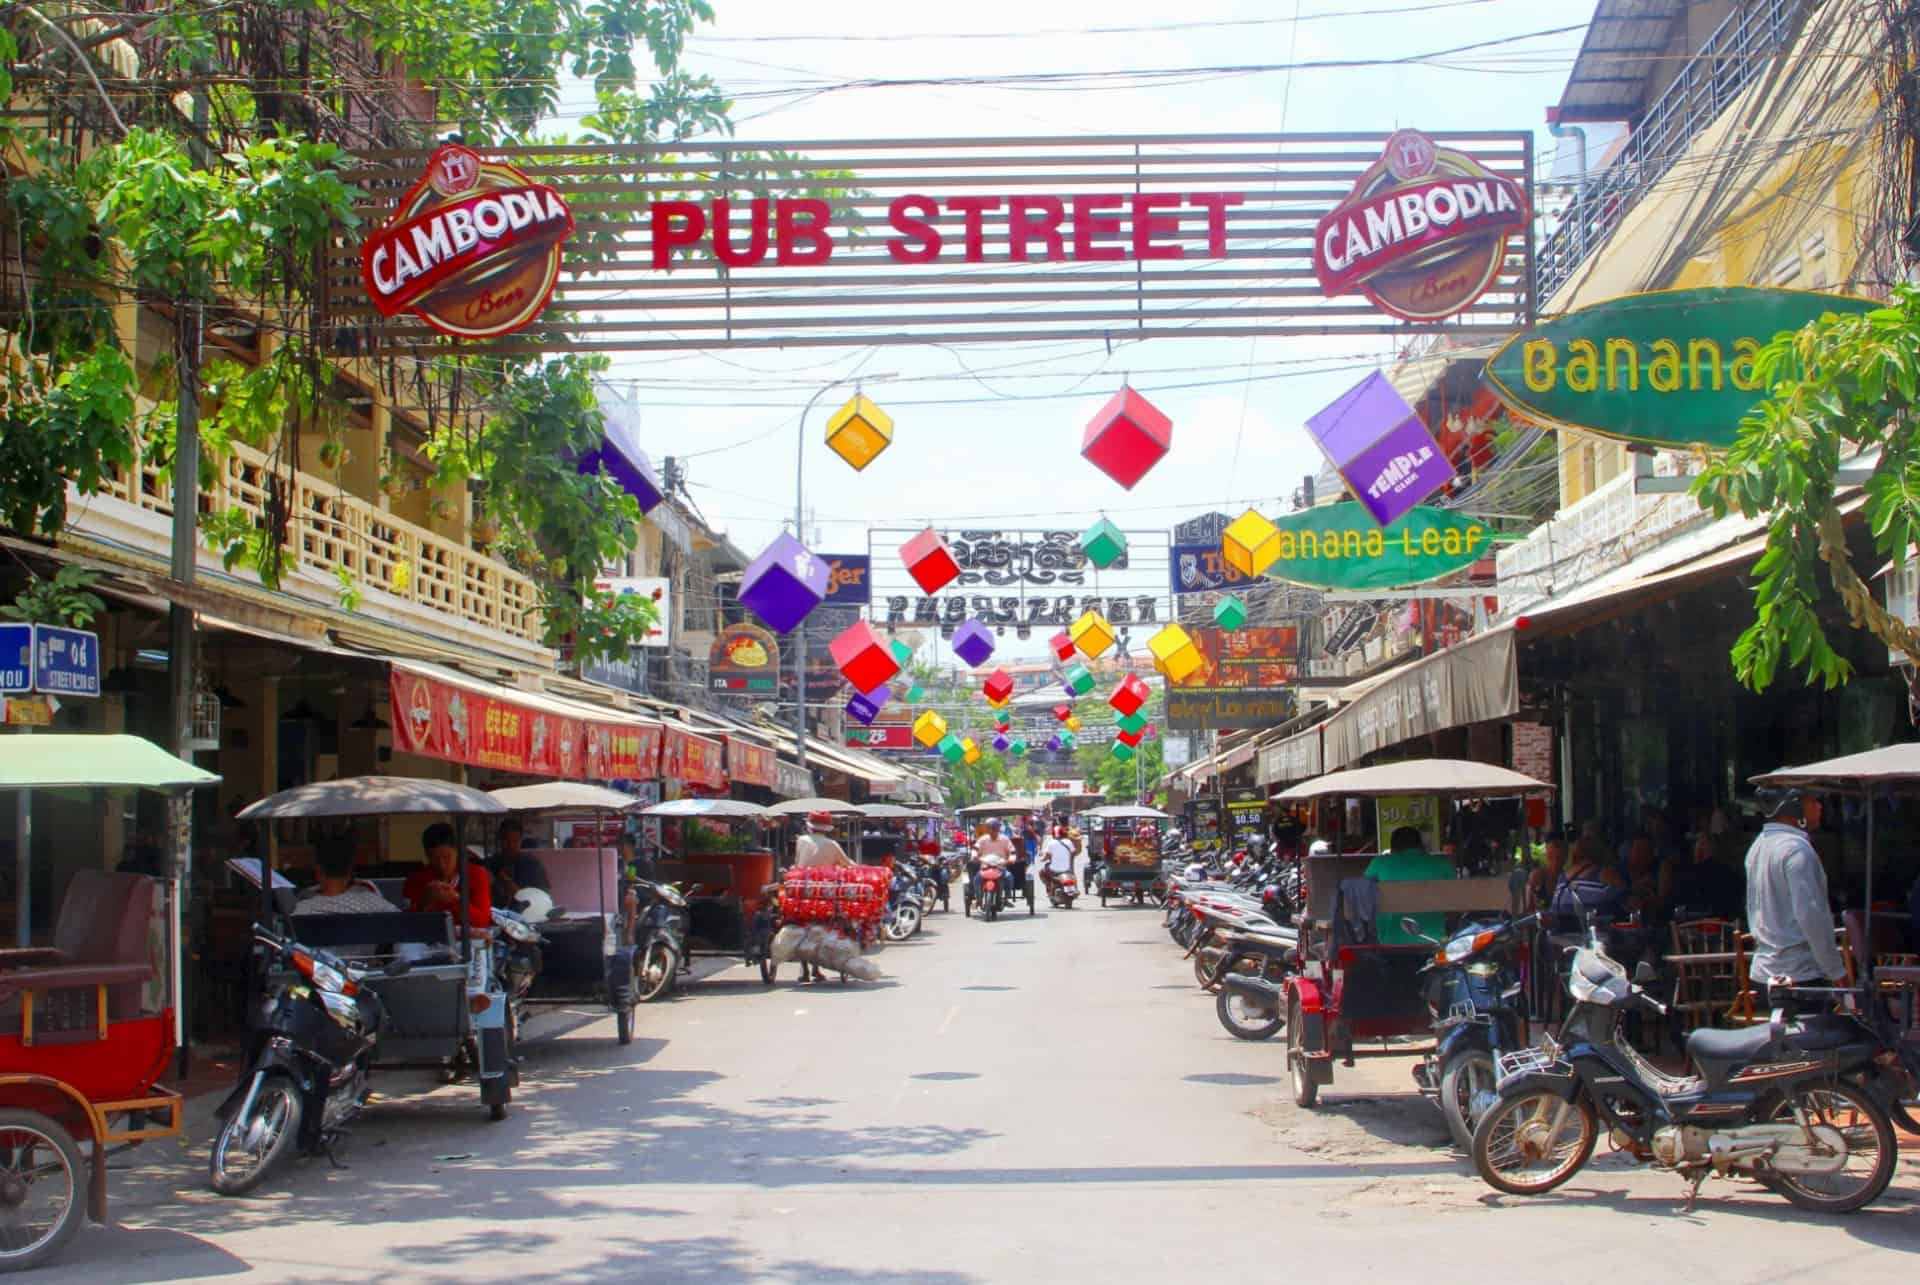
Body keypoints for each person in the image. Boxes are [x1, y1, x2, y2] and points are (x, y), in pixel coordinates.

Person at [1745, 786, 1846, 997]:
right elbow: (1811, 916)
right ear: (1795, 808)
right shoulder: (1797, 850)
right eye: (1812, 801)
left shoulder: (1758, 846)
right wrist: (1836, 972)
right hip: (1799, 976)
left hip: (1763, 974)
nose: (1819, 806)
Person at [1364, 826, 1453, 945]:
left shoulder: (1380, 863)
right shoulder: (1442, 864)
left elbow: (1363, 892)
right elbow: (1454, 905)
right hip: (1434, 939)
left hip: (1390, 941)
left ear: (1393, 847)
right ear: (1420, 845)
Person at [403, 821, 493, 929]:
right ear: (427, 855)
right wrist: (425, 902)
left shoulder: (477, 874)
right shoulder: (416, 879)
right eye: (435, 858)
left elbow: (483, 921)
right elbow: (406, 924)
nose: (441, 864)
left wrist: (456, 900)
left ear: (457, 852)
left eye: (446, 857)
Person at [490, 817, 551, 908]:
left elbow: (543, 899)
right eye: (505, 840)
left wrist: (507, 881)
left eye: (515, 841)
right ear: (499, 840)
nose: (510, 845)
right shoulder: (491, 863)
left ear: (520, 841)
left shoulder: (533, 865)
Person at [971, 818, 1014, 904]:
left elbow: (1012, 850)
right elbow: (975, 849)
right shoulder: (983, 839)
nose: (991, 830)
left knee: (1009, 878)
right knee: (976, 879)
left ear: (997, 829)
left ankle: (1006, 898)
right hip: (985, 867)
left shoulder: (1005, 839)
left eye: (993, 828)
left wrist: (1011, 859)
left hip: (1000, 867)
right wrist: (974, 856)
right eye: (989, 828)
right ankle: (978, 899)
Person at [1525, 832, 1569, 908]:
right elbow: (1529, 908)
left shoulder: (1568, 878)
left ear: (1565, 858)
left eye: (1559, 858)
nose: (1555, 863)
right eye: (1550, 857)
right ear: (1546, 856)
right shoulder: (1537, 876)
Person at [1038, 824, 1075, 896]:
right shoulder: (1069, 842)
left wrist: (1042, 859)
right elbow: (1073, 852)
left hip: (1054, 869)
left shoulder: (1051, 843)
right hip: (1067, 869)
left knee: (1041, 872)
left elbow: (1046, 856)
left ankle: (1049, 886)